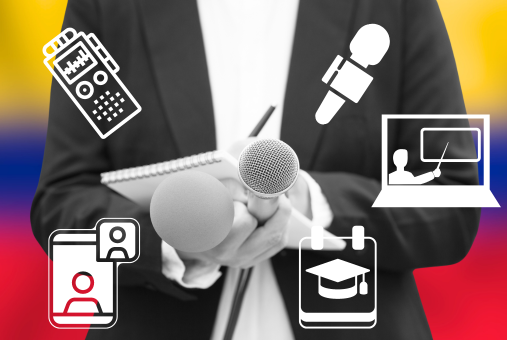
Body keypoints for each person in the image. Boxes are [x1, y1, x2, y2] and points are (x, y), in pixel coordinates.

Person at [31, 0, 480, 339]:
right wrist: (177, 244)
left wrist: (308, 202)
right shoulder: (109, 8)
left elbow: (450, 203)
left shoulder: (393, 8)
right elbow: (62, 202)